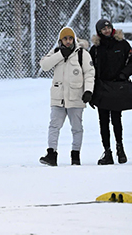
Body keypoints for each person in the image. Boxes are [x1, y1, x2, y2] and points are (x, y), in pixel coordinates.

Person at [39, 27, 95, 166]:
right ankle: (52, 154)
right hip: (58, 97)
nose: (68, 41)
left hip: (76, 96)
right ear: (61, 40)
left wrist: (88, 91)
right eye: (65, 39)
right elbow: (44, 65)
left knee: (77, 128)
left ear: (74, 39)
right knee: (54, 126)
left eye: (70, 38)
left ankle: (75, 155)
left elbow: (89, 73)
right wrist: (60, 55)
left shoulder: (82, 54)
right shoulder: (56, 52)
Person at [89, 19, 132, 165]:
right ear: (99, 31)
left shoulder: (122, 44)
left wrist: (124, 74)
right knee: (103, 121)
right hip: (102, 89)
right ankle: (108, 151)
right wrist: (91, 93)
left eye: (108, 27)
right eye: (103, 29)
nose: (106, 30)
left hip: (118, 87)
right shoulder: (95, 49)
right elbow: (89, 71)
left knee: (117, 119)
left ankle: (120, 149)